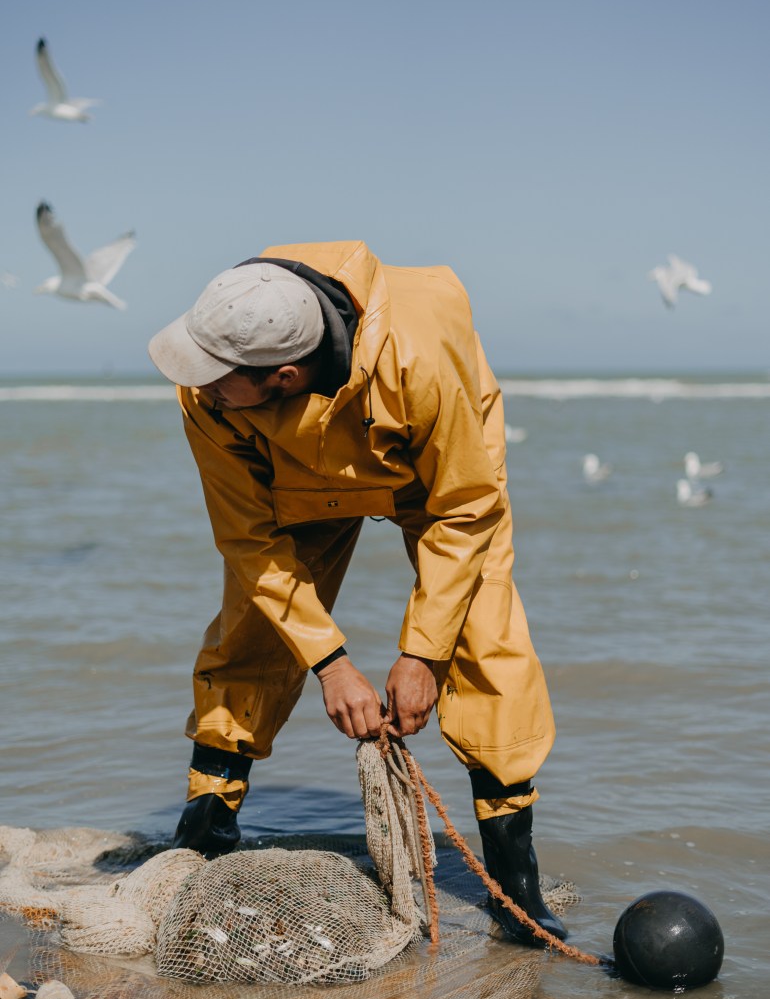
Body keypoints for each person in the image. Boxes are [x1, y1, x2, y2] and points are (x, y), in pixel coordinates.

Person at [148, 240, 566, 947]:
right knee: (254, 625)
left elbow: (465, 509)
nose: (198, 384)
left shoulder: (421, 362)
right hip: (296, 468)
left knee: (483, 635)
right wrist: (331, 662)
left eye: (216, 378)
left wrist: (423, 654)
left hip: (434, 467)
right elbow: (250, 541)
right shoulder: (210, 387)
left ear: (282, 374)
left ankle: (513, 880)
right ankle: (206, 831)